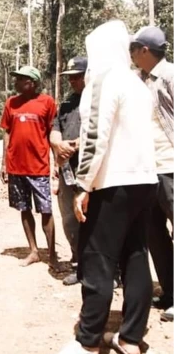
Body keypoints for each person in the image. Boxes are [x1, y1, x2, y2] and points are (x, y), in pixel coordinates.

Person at [59, 20, 158, 354]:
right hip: (145, 181)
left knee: (97, 258)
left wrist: (83, 185)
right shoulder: (137, 84)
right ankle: (130, 338)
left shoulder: (103, 81)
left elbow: (93, 138)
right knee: (135, 256)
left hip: (112, 183)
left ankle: (87, 341)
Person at [129, 25, 174, 323]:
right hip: (148, 168)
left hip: (171, 164)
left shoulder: (169, 76)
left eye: (133, 49)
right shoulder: (138, 80)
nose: (131, 54)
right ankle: (170, 292)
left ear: (145, 50)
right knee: (155, 233)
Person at [0, 66, 59, 269]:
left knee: (46, 211)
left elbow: (53, 133)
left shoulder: (47, 103)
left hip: (39, 167)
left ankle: (52, 256)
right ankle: (33, 251)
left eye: (20, 80)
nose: (15, 83)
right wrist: (4, 163)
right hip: (16, 167)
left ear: (32, 83)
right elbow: (6, 133)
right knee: (24, 209)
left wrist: (57, 161)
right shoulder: (11, 103)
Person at [50, 57, 87, 285]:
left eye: (77, 76)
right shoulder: (66, 105)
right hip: (67, 171)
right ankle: (78, 264)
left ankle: (111, 271)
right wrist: (58, 145)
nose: (72, 81)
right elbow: (54, 130)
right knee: (69, 219)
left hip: (91, 171)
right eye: (70, 77)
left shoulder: (98, 101)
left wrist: (77, 144)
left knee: (95, 220)